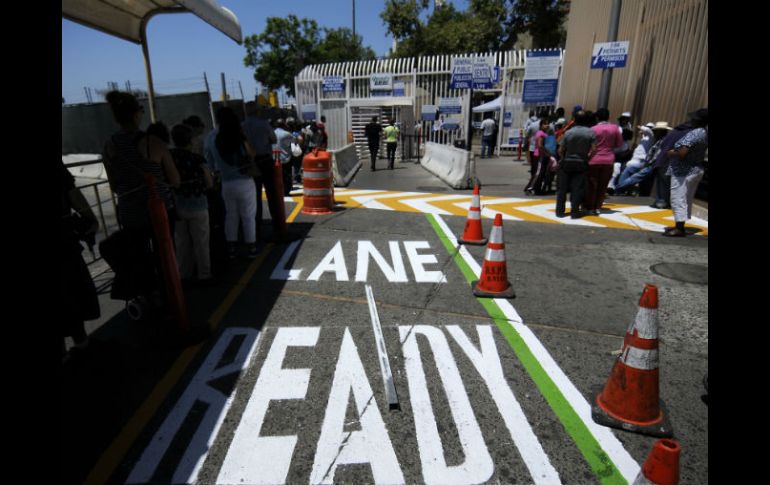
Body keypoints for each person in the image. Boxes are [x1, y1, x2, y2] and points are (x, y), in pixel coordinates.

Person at [102, 91, 180, 233]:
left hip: (129, 214)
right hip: (159, 212)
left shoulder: (109, 146)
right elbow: (175, 181)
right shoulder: (153, 142)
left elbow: (114, 186)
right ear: (136, 114)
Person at [61, 161, 100, 363]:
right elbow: (72, 193)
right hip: (63, 245)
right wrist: (91, 220)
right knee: (72, 296)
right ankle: (82, 348)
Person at [209, 106, 259, 258]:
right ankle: (251, 247)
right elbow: (252, 154)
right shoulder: (238, 135)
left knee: (230, 216)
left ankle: (231, 248)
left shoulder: (212, 137)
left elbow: (210, 161)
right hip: (245, 180)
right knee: (248, 216)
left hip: (226, 182)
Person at [170, 123, 214, 282]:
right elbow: (209, 183)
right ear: (190, 140)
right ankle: (204, 274)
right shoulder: (198, 159)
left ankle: (184, 274)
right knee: (201, 242)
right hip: (198, 205)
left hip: (178, 206)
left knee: (182, 243)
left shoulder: (170, 157)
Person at [663, 108, 708, 237]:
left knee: (678, 198)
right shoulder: (704, 133)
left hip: (683, 171)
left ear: (699, 120)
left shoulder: (694, 133)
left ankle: (679, 228)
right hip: (695, 169)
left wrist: (671, 153)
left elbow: (682, 152)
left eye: (694, 118)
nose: (691, 120)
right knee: (686, 198)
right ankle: (680, 224)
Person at [241, 101, 278, 240]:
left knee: (255, 196)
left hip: (251, 162)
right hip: (266, 160)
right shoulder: (264, 124)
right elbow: (273, 139)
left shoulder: (242, 126)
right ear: (257, 111)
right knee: (271, 193)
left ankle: (257, 227)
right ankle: (277, 224)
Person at [555, 110, 597, 218]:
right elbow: (594, 149)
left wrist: (563, 158)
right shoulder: (590, 132)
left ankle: (560, 211)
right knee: (577, 188)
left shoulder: (568, 132)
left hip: (567, 162)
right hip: (581, 162)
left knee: (562, 189)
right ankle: (574, 211)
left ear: (574, 120)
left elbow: (560, 150)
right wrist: (588, 158)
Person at [583, 108, 623, 215]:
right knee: (603, 185)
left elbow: (587, 144)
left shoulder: (592, 129)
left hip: (594, 159)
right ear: (608, 116)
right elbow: (619, 144)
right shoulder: (615, 128)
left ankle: (590, 206)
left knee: (592, 185)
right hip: (608, 159)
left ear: (597, 117)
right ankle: (598, 207)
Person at [613, 122, 671, 195]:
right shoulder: (654, 139)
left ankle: (617, 188)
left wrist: (640, 127)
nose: (654, 131)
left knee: (635, 177)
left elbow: (648, 131)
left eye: (656, 130)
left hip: (650, 164)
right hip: (647, 163)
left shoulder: (653, 137)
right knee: (629, 174)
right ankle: (620, 189)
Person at [524, 119, 552, 195]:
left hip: (540, 155)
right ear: (541, 125)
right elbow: (540, 145)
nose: (547, 125)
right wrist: (547, 153)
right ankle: (530, 188)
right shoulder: (541, 134)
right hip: (540, 155)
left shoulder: (542, 133)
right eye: (545, 124)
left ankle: (535, 188)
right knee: (538, 173)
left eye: (548, 124)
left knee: (539, 172)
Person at [273, 119, 295, 195]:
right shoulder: (287, 134)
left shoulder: (272, 133)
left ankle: (278, 190)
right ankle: (286, 191)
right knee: (287, 176)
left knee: (277, 176)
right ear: (284, 125)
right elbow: (296, 141)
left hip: (274, 158)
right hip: (285, 158)